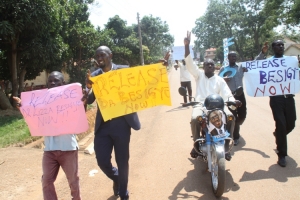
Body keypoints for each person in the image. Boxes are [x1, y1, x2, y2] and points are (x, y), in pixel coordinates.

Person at [13, 71, 81, 200]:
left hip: (68, 148)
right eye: (50, 81)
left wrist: (82, 101)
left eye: (56, 81)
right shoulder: (42, 103)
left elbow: (80, 112)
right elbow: (33, 116)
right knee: (46, 181)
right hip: (50, 149)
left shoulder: (70, 100)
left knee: (73, 181)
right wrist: (22, 106)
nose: (53, 83)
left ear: (63, 84)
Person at [84, 46, 141, 200]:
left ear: (110, 55)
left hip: (122, 124)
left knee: (122, 161)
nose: (99, 58)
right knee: (102, 161)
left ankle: (123, 192)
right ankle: (117, 178)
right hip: (103, 125)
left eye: (102, 54)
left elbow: (142, 82)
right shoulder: (94, 76)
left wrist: (160, 68)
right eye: (97, 55)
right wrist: (88, 88)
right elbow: (89, 100)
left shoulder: (123, 71)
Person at [184, 31, 242, 160]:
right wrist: (187, 46)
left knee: (231, 117)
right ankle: (197, 143)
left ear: (214, 66)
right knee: (195, 119)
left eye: (212, 64)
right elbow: (189, 63)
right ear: (203, 67)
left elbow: (227, 93)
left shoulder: (219, 79)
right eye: (207, 64)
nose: (210, 66)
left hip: (218, 106)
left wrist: (233, 101)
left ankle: (226, 145)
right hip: (201, 105)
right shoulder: (198, 75)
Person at [255, 40, 297, 167]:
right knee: (281, 123)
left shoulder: (291, 61)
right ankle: (282, 154)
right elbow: (256, 64)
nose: (281, 47)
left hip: (289, 97)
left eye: (282, 45)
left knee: (291, 123)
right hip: (276, 99)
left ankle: (278, 134)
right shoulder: (269, 61)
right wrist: (263, 53)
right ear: (273, 48)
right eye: (278, 45)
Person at [218, 51, 248, 146]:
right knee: (234, 116)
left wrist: (262, 53)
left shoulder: (240, 67)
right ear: (228, 58)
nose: (234, 58)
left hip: (240, 95)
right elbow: (217, 79)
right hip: (230, 96)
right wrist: (223, 79)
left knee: (242, 115)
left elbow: (255, 64)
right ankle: (235, 136)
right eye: (232, 56)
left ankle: (235, 126)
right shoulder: (224, 69)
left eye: (235, 56)